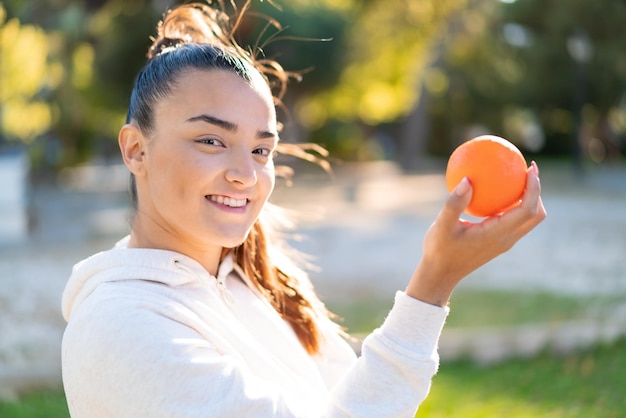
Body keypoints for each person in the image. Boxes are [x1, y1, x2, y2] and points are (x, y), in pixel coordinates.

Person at [60, 1, 546, 417]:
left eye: (260, 150)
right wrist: (433, 283)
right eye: (211, 140)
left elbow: (352, 401)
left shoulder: (256, 279)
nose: (246, 176)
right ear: (135, 150)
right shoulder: (119, 329)